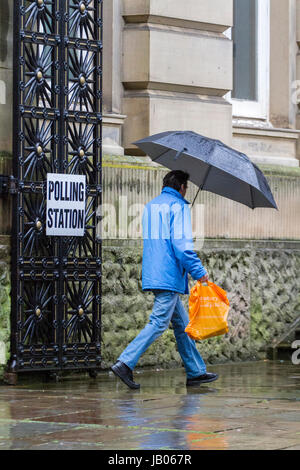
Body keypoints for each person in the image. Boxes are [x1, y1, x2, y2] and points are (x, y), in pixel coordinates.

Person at [111, 170, 218, 389]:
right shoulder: (178, 207)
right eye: (186, 187)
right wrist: (199, 272)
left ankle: (196, 372)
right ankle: (125, 362)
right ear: (182, 187)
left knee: (182, 325)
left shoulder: (151, 206)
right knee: (158, 323)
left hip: (154, 271)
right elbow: (182, 247)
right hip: (169, 275)